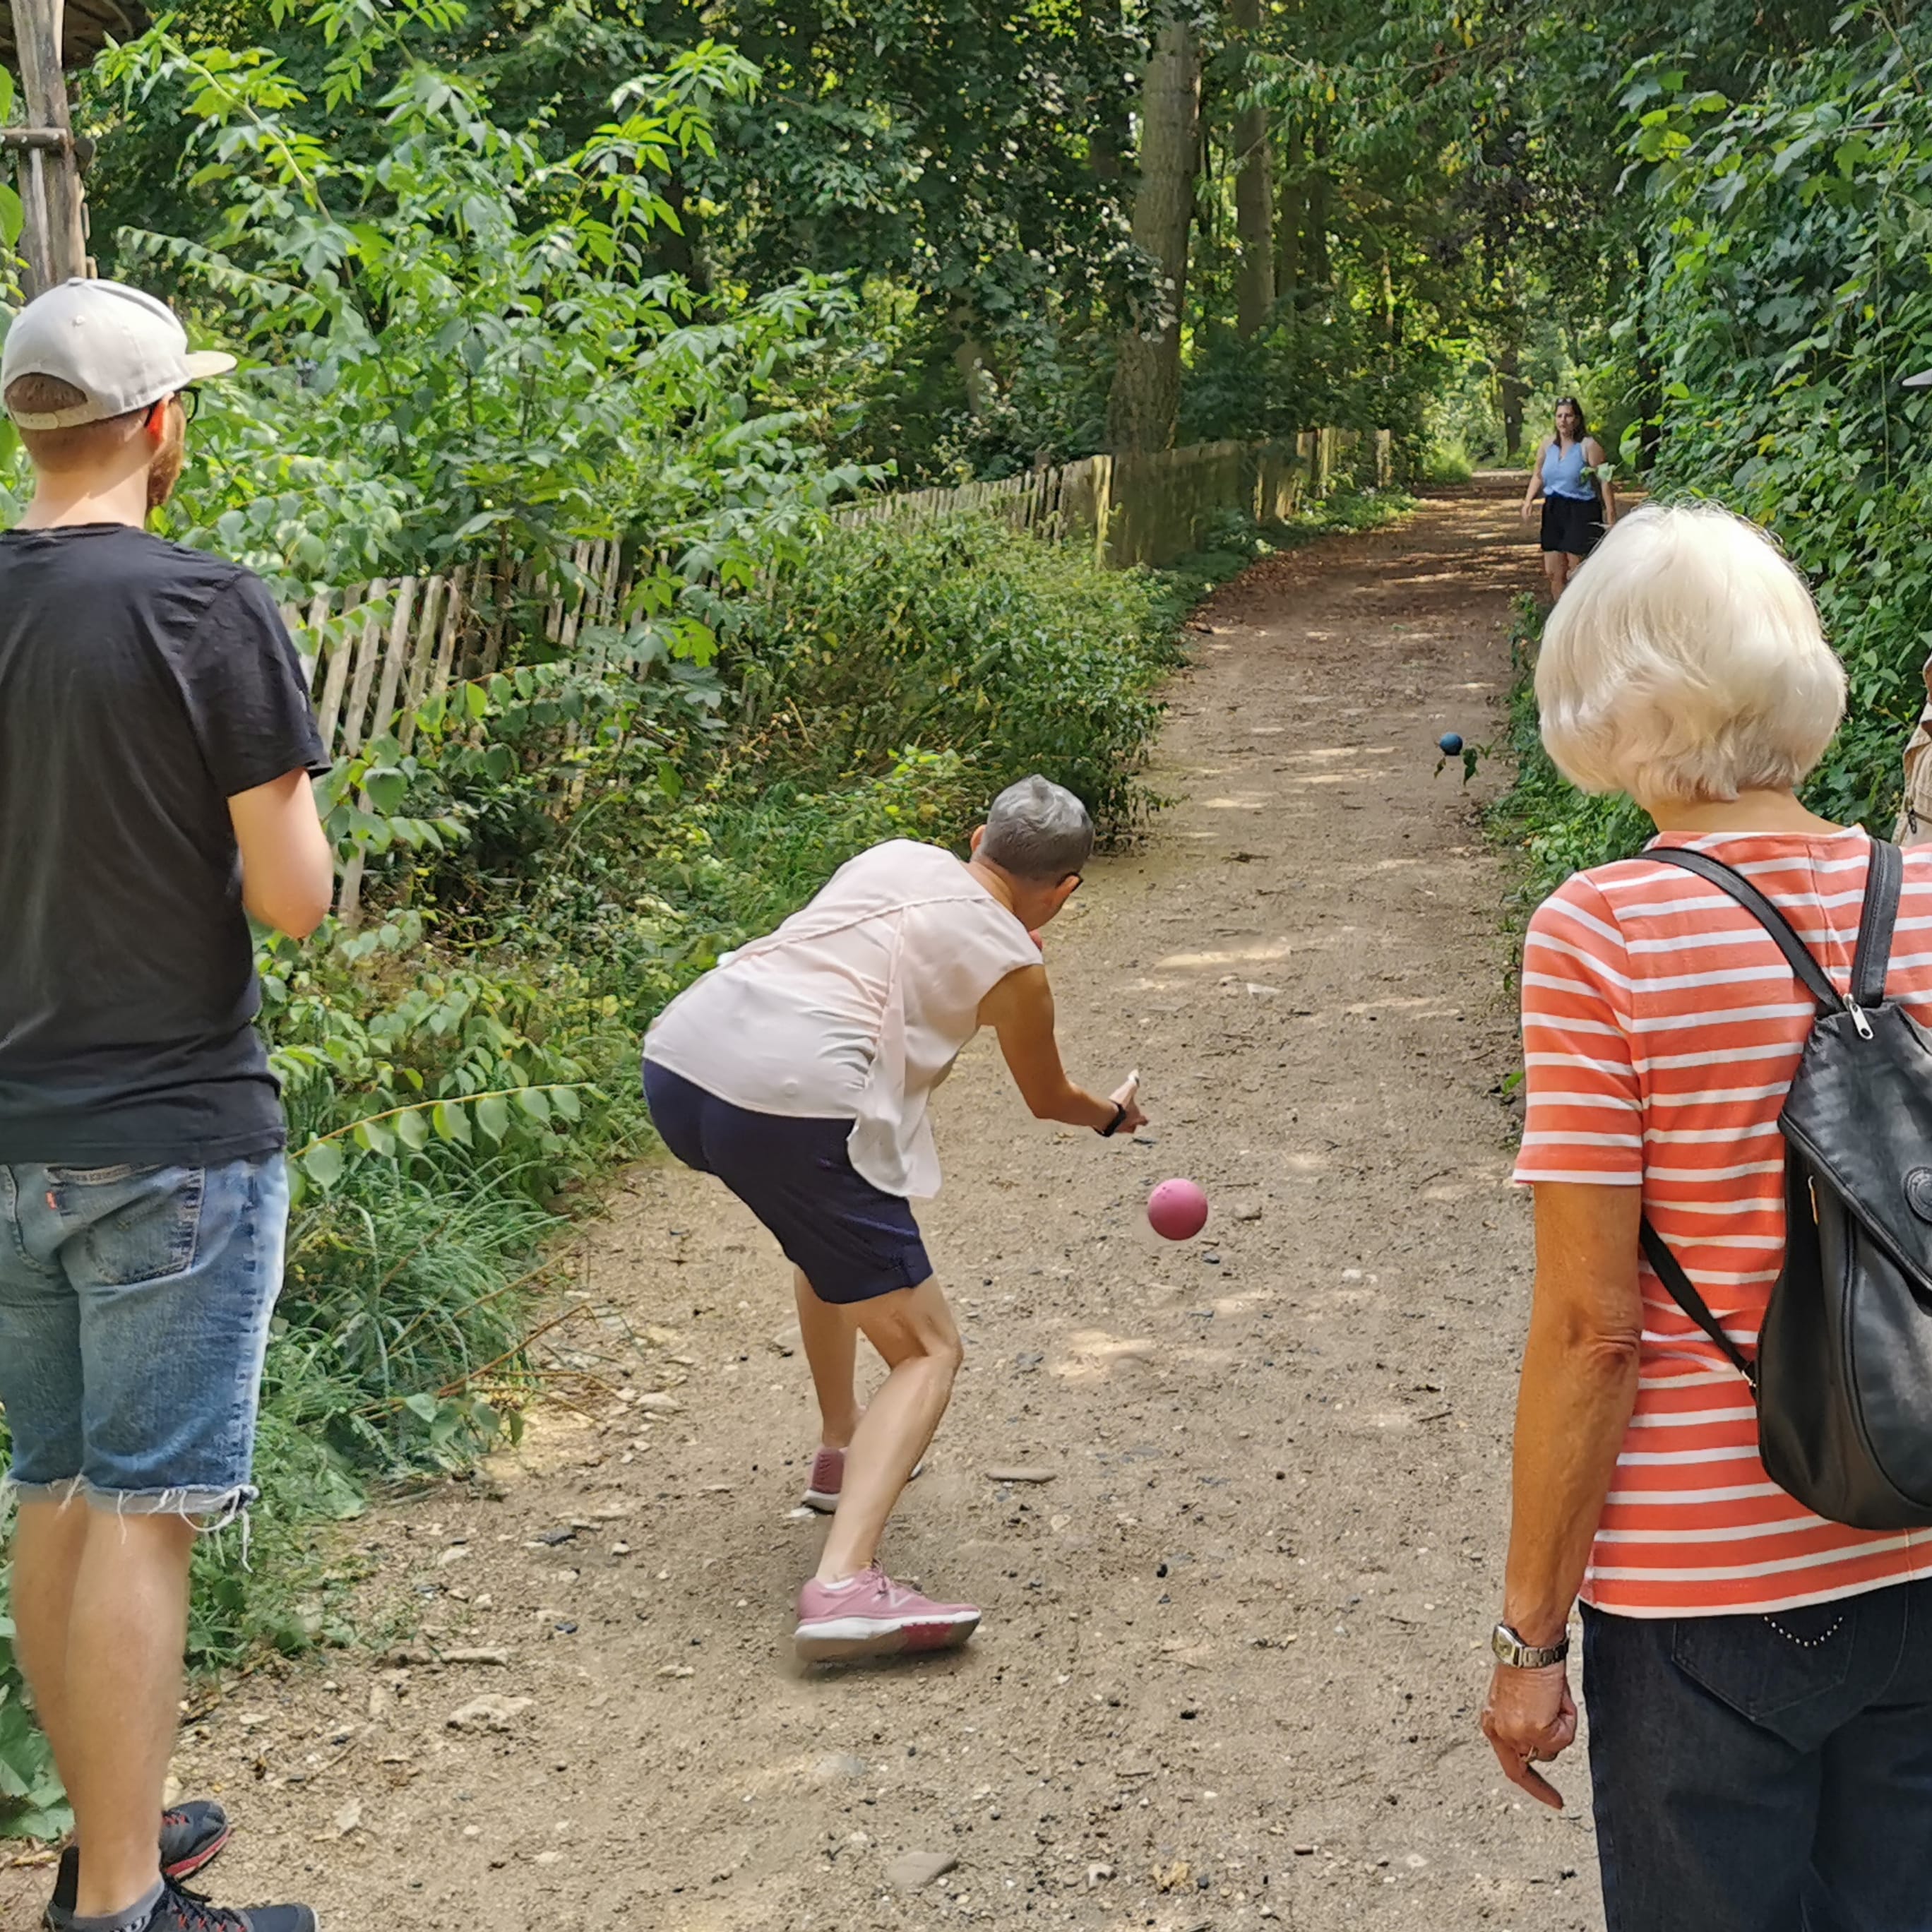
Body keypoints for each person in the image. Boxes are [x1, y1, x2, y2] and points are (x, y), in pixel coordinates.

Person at [1482, 501, 1932, 1931]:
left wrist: (1528, 1636)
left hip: (1706, 1593)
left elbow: (1590, 1329)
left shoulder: (1602, 934)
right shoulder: (1925, 896)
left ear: (1611, 710)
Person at [0, 280, 334, 1932]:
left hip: (7, 1133)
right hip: (174, 1134)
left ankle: (95, 1845)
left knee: (54, 1485)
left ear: (28, 426)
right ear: (159, 425)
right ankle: (128, 1902)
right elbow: (293, 896)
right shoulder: (207, 606)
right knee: (141, 1507)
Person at [642, 776, 1145, 1662]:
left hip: (683, 1062)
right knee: (928, 1349)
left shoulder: (894, 857)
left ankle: (843, 1447)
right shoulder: (1015, 964)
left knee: (825, 1243)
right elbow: (1048, 1097)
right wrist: (1112, 1113)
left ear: (976, 835)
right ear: (1063, 889)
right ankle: (844, 1586)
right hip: (791, 1104)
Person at [1519, 396, 1617, 602]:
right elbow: (1538, 474)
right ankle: (1559, 619)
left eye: (1569, 416)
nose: (1563, 420)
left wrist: (1611, 515)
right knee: (1554, 571)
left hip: (1581, 509)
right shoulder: (1548, 446)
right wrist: (1528, 500)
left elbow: (1605, 481)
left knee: (1578, 571)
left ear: (1578, 419)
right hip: (1554, 508)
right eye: (1559, 416)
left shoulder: (1589, 446)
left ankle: (1582, 618)